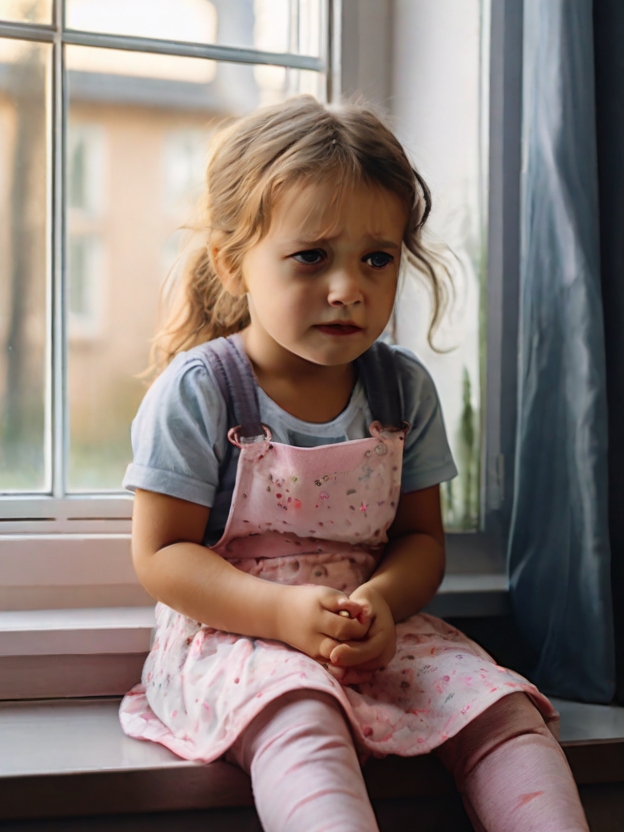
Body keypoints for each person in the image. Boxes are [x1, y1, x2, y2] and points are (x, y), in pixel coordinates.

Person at [119, 96, 589, 832]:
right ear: (231, 262)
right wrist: (281, 612)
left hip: (373, 623)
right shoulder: (203, 389)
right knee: (300, 716)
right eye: (312, 257)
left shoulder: (401, 388)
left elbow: (421, 541)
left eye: (378, 258)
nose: (349, 288)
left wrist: (384, 603)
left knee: (503, 710)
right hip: (243, 637)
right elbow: (162, 555)